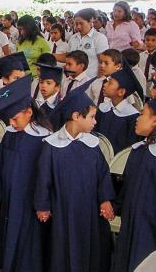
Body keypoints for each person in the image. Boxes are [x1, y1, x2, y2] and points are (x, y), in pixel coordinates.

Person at [34, 79, 115, 272]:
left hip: (87, 209)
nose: (95, 122)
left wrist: (104, 199)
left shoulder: (93, 145)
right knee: (60, 249)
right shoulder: (51, 145)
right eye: (92, 117)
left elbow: (103, 175)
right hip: (61, 208)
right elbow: (43, 179)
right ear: (77, 116)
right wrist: (42, 206)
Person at [0, 75, 51, 271]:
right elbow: (0, 166)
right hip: (11, 197)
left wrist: (43, 203)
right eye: (9, 120)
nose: (12, 123)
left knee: (28, 238)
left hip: (31, 198)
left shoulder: (44, 139)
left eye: (15, 118)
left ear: (29, 112)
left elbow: (46, 176)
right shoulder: (10, 135)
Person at [112, 96, 156, 272]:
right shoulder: (139, 151)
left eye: (142, 114)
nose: (137, 118)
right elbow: (126, 190)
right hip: (131, 223)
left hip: (153, 229)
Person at [95, 62, 143, 154]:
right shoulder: (102, 109)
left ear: (121, 92)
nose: (105, 84)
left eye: (110, 83)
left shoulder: (132, 116)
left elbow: (129, 148)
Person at [61, 8, 109, 78]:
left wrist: (98, 81)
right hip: (72, 80)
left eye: (81, 23)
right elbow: (67, 56)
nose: (78, 27)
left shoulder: (99, 38)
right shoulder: (73, 38)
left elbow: (103, 62)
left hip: (90, 80)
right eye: (76, 24)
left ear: (90, 21)